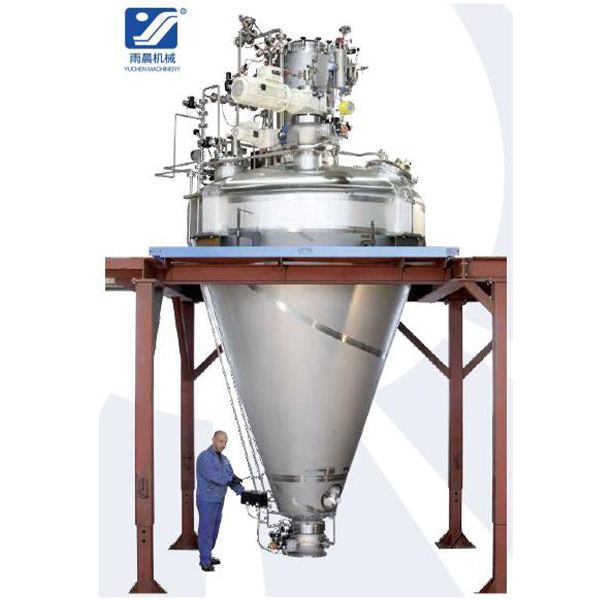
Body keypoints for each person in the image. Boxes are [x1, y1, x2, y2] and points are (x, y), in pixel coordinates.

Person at [196, 430, 245, 572]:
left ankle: (207, 554)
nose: (223, 444)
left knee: (214, 530)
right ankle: (204, 561)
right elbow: (215, 476)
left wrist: (243, 492)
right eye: (221, 441)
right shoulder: (204, 457)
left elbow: (231, 478)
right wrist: (231, 478)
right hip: (207, 500)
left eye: (225, 442)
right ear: (213, 439)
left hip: (218, 500)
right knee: (206, 530)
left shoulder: (224, 460)